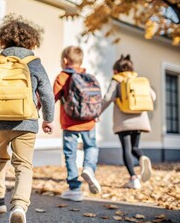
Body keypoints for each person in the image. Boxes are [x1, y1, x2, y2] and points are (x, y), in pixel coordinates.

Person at [0, 14, 54, 223]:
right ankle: (19, 207)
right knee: (23, 165)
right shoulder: (34, 63)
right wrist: (48, 119)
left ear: (3, 39)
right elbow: (48, 93)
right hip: (26, 121)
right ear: (32, 40)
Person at [53, 46, 101, 202]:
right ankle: (89, 168)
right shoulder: (88, 77)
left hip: (70, 123)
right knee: (91, 146)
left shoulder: (62, 77)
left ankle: (74, 188)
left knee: (70, 154)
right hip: (89, 121)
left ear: (65, 61)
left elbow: (51, 97)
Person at [101, 54, 155, 189]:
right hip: (140, 119)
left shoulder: (116, 80)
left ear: (115, 71)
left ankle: (133, 178)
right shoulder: (137, 79)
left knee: (126, 149)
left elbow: (108, 98)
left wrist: (96, 113)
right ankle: (142, 157)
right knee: (135, 147)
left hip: (123, 121)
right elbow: (152, 96)